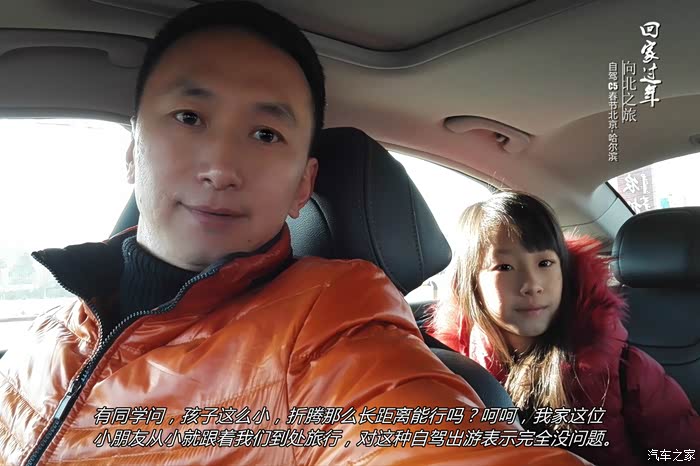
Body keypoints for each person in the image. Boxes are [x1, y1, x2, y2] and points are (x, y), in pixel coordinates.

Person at [0, 3, 595, 465]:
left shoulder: (331, 326)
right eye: (189, 117)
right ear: (133, 151)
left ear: (302, 186)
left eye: (266, 134)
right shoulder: (48, 331)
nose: (221, 168)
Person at [426, 191, 700, 466]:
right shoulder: (449, 374)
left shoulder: (625, 371)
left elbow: (686, 453)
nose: (532, 284)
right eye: (504, 267)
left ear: (564, 272)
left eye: (545, 263)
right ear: (471, 283)